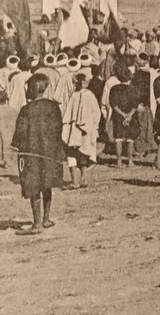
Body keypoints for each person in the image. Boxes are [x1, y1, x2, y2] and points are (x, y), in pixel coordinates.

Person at [12, 73, 64, 233]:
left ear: (32, 89)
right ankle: (46, 218)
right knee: (47, 183)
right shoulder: (53, 106)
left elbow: (20, 133)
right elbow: (58, 129)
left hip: (31, 152)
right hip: (50, 151)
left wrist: (17, 146)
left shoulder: (26, 109)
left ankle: (37, 223)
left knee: (34, 185)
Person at [62, 70, 103, 188]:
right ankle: (84, 179)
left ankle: (75, 181)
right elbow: (97, 113)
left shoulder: (74, 95)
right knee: (85, 154)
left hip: (74, 130)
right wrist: (93, 126)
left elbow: (68, 115)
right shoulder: (90, 95)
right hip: (88, 129)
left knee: (73, 154)